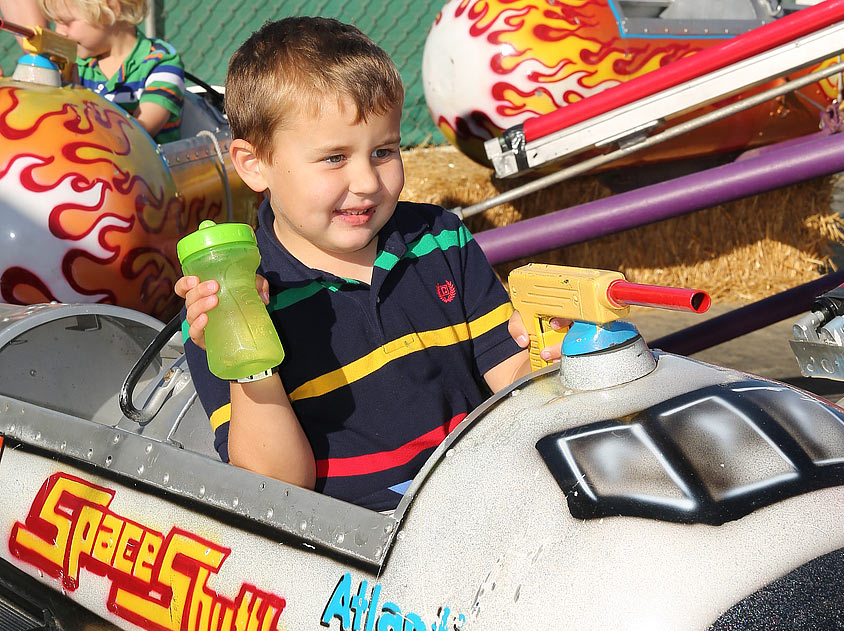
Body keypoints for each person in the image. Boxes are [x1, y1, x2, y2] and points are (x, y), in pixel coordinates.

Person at [177, 17, 557, 514]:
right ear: (254, 165)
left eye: (383, 151)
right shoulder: (233, 301)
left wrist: (548, 346)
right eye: (334, 158)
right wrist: (245, 355)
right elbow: (279, 487)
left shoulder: (438, 239)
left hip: (486, 498)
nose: (366, 181)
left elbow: (518, 387)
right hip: (361, 555)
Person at [39, 0, 183, 141]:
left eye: (66, 22)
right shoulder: (76, 65)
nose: (59, 32)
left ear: (111, 7)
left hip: (146, 163)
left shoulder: (160, 62)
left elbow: (141, 134)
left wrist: (80, 98)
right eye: (55, 22)